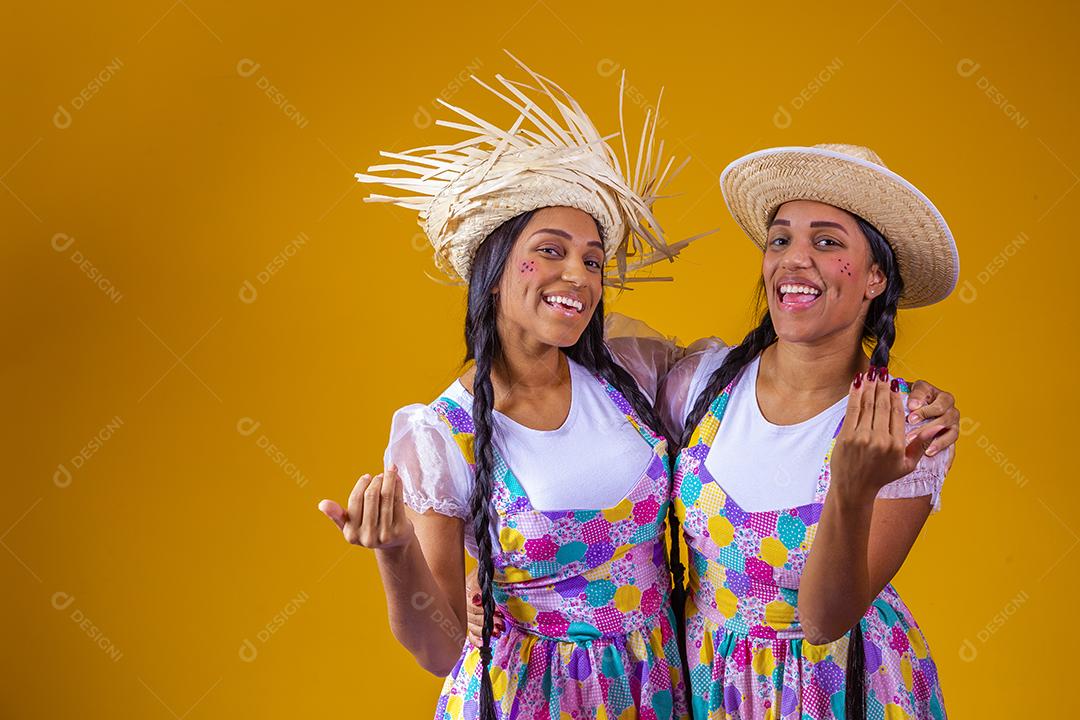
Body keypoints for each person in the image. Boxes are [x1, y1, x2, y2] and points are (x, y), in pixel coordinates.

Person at [319, 54, 696, 720]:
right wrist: (394, 553)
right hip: (527, 699)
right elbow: (440, 650)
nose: (577, 275)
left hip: (651, 687)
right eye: (550, 249)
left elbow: (761, 383)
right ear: (492, 271)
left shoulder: (632, 373)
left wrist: (888, 390)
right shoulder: (442, 435)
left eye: (591, 259)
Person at [663, 143, 958, 719]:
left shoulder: (905, 429)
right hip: (707, 681)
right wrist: (503, 580)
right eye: (781, 239)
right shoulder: (698, 385)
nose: (794, 259)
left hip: (842, 687)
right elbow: (554, 375)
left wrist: (851, 485)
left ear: (875, 278)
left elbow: (825, 619)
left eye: (826, 242)